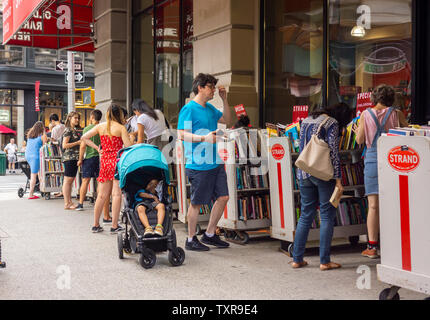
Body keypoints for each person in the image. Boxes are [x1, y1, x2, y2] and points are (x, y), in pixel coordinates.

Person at [291, 103, 353, 271]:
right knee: (326, 216)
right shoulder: (331, 123)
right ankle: (324, 261)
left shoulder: (305, 121)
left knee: (305, 215)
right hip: (323, 174)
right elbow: (333, 153)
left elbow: (302, 147)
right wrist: (338, 179)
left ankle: (297, 259)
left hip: (304, 172)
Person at [177, 73, 232, 251]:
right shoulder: (189, 109)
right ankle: (191, 239)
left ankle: (209, 234)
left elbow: (227, 120)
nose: (214, 90)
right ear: (200, 87)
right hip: (198, 164)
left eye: (214, 87)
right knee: (197, 203)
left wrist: (224, 100)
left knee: (223, 197)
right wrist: (203, 138)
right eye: (211, 87)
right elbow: (182, 134)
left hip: (215, 162)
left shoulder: (209, 108)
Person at [353, 84, 407, 259]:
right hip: (393, 160)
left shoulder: (365, 115)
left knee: (374, 205)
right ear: (391, 98)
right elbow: (408, 133)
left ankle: (372, 247)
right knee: (394, 204)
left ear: (374, 98)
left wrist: (356, 132)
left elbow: (360, 140)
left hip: (372, 160)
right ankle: (394, 245)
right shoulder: (396, 114)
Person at [81, 104, 132, 234]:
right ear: (119, 114)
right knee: (116, 194)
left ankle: (96, 224)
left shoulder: (100, 126)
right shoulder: (121, 128)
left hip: (104, 162)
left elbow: (84, 138)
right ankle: (114, 225)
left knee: (101, 195)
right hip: (117, 162)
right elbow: (128, 148)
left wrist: (97, 148)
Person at [76, 109, 102, 212]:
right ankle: (99, 202)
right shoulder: (102, 128)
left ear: (92, 117)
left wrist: (80, 159)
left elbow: (83, 146)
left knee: (85, 181)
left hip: (89, 157)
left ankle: (80, 203)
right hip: (100, 157)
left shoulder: (87, 129)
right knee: (100, 181)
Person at [62, 111, 82, 210]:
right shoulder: (68, 130)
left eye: (78, 118)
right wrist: (78, 142)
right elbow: (64, 145)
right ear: (70, 118)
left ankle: (69, 202)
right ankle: (67, 203)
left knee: (69, 181)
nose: (77, 120)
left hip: (73, 158)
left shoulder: (73, 130)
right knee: (68, 181)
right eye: (75, 118)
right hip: (69, 158)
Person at [24, 122, 48, 199]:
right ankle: (31, 194)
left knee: (38, 173)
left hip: (28, 156)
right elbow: (45, 146)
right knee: (34, 175)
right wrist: (44, 133)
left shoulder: (30, 136)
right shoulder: (42, 136)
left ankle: (41, 189)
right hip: (36, 157)